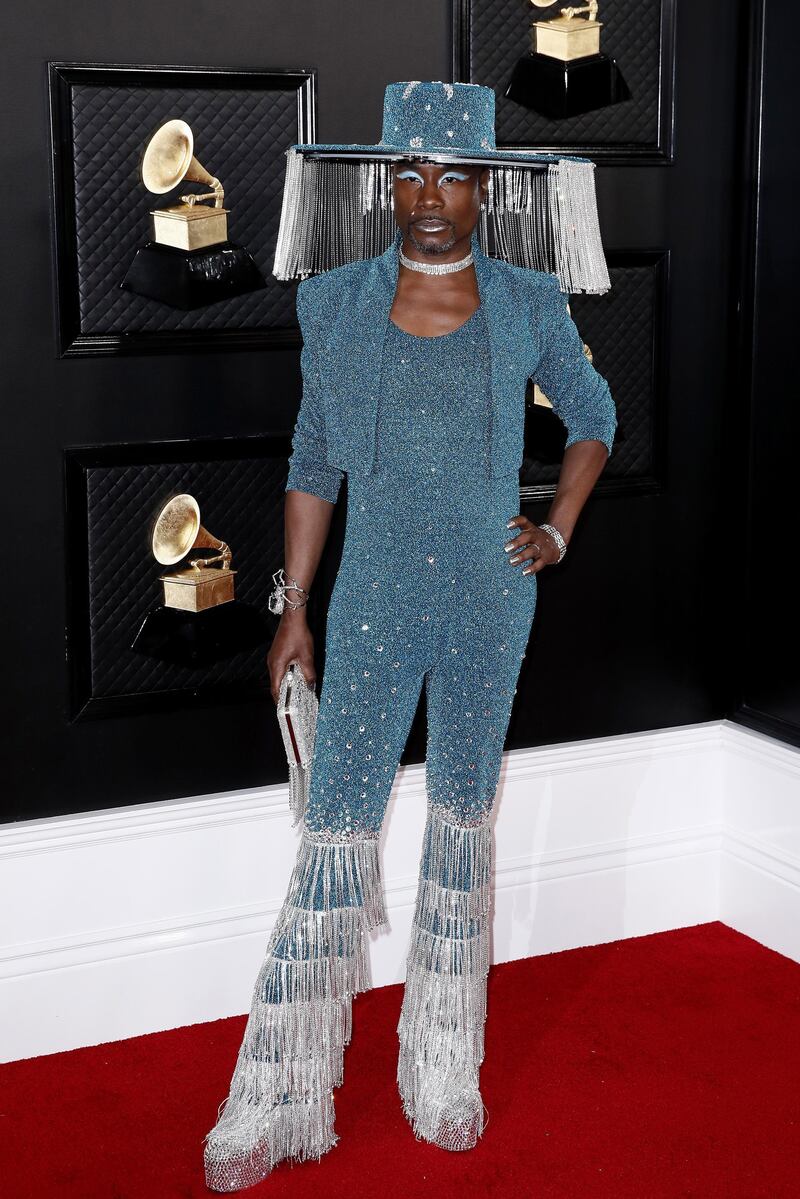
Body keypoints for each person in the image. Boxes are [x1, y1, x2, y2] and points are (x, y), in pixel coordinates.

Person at [203, 80, 616, 1192]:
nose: (429, 198)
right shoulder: (331, 302)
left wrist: (556, 529)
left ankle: (441, 1064)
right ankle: (275, 1091)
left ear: (486, 190)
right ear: (384, 184)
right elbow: (311, 464)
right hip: (373, 595)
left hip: (491, 597)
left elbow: (593, 417)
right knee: (333, 827)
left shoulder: (529, 301)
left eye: (452, 176)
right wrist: (291, 606)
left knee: (458, 824)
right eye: (409, 175)